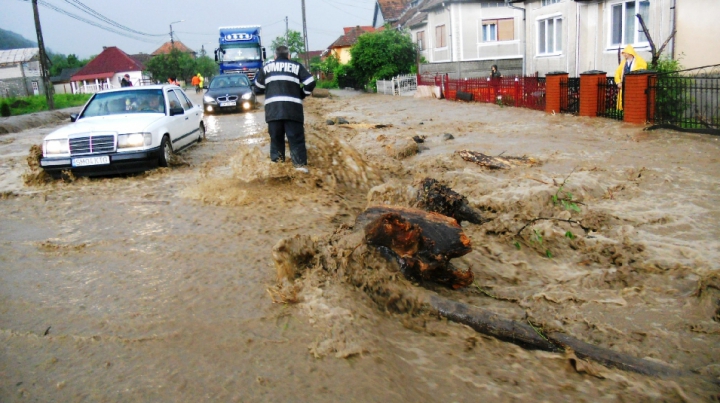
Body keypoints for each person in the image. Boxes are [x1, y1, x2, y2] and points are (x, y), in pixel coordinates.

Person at [254, 46, 316, 172]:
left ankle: (278, 172)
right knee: (296, 141)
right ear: (289, 56)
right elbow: (310, 82)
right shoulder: (296, 66)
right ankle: (300, 171)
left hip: (273, 112)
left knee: (276, 141)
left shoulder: (266, 68)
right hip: (293, 111)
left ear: (275, 56)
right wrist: (302, 93)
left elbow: (257, 88)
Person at [614, 44, 647, 110]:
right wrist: (618, 82)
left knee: (633, 99)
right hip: (624, 84)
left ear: (630, 53)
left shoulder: (639, 61)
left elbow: (642, 70)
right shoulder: (623, 62)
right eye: (624, 53)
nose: (624, 55)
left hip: (634, 85)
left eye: (625, 53)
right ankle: (622, 110)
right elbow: (617, 72)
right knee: (623, 98)